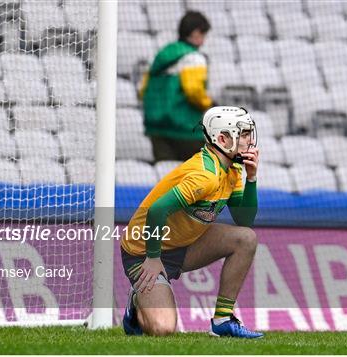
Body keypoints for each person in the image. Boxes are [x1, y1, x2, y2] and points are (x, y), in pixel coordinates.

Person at [121, 106, 263, 338]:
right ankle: (136, 303)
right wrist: (153, 258)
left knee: (246, 238)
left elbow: (244, 219)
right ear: (222, 138)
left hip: (183, 244)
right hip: (144, 249)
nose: (249, 140)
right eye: (244, 134)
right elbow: (156, 211)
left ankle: (223, 319)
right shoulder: (204, 176)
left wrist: (252, 178)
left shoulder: (234, 169)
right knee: (162, 328)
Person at [139, 11, 214, 162]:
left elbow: (142, 90)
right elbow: (194, 91)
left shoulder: (161, 55)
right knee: (194, 179)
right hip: (186, 130)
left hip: (157, 129)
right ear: (196, 33)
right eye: (203, 35)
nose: (204, 41)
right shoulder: (194, 58)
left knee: (167, 177)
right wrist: (209, 104)